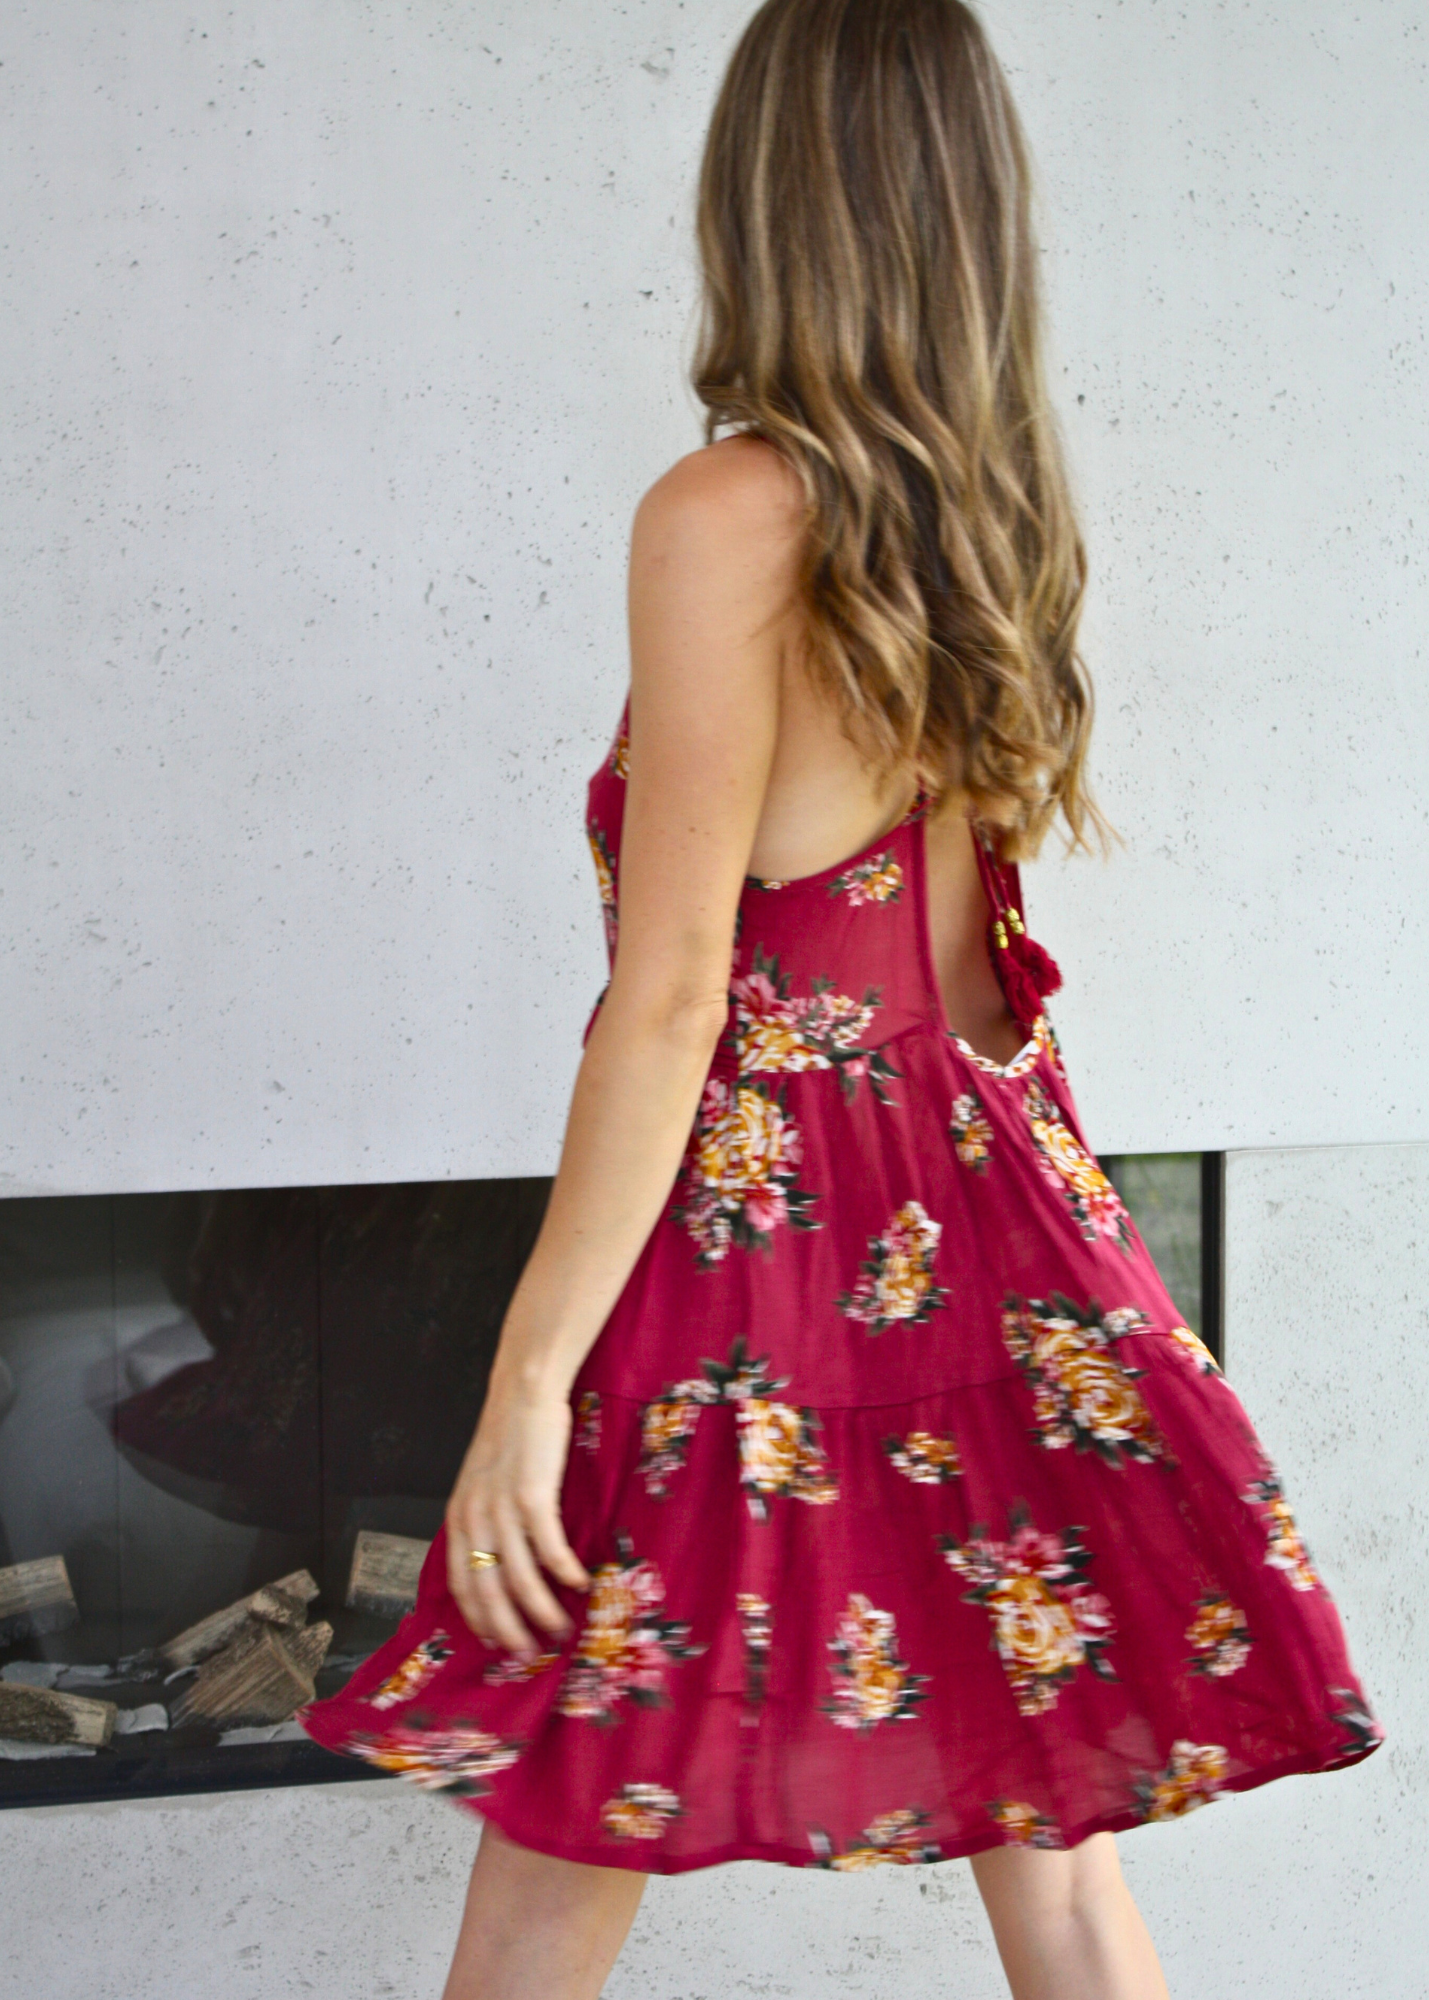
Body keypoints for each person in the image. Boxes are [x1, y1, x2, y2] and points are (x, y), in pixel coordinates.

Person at [299, 3, 1381, 1994]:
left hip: (757, 1238)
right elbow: (958, 971)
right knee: (1054, 1861)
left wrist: (528, 1375)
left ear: (759, 198)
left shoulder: (726, 515)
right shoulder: (986, 516)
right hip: (985, 1209)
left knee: (554, 1838)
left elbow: (677, 991)